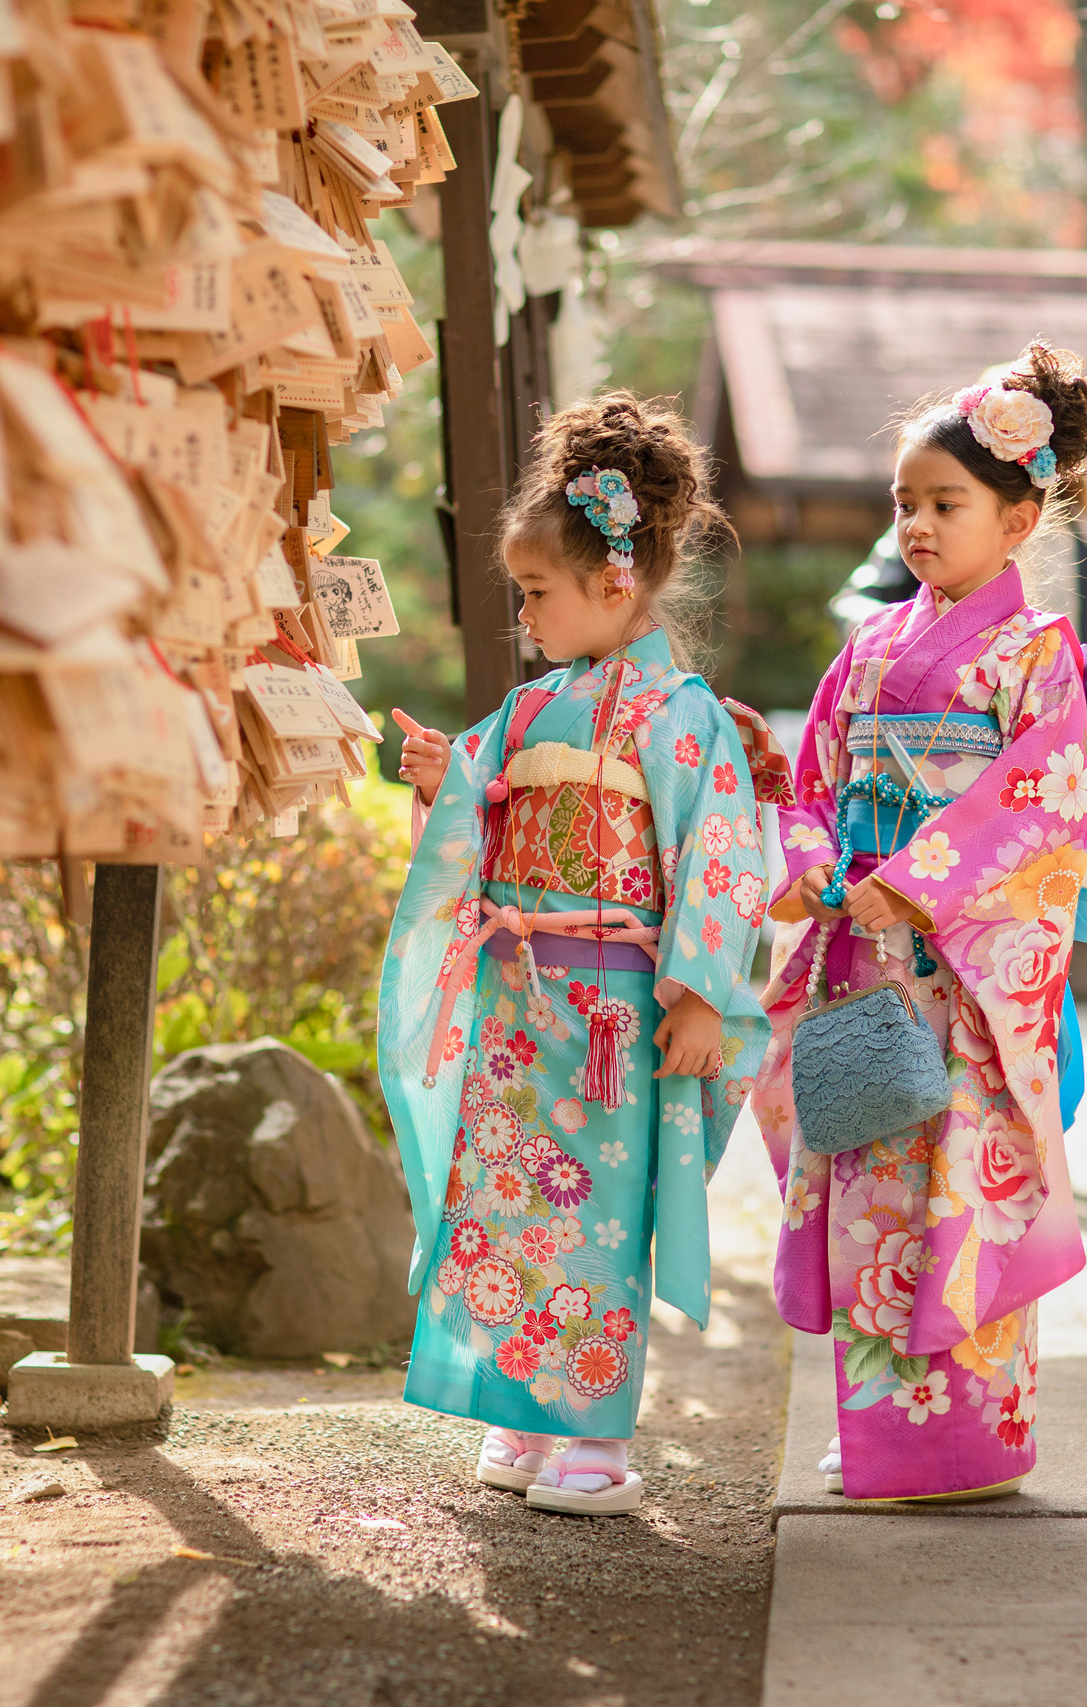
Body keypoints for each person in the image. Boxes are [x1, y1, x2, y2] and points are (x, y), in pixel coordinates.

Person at [382, 395, 776, 1516]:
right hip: (518, 1000)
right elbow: (473, 821)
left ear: (613, 583)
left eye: (537, 590)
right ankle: (522, 1409)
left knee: (599, 1215)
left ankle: (593, 1433)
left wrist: (699, 995)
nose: (524, 613)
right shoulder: (527, 710)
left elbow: (723, 853)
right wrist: (446, 785)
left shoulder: (682, 713)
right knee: (509, 1201)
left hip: (614, 1009)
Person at [754, 341, 1087, 1502]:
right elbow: (813, 787)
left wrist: (918, 881)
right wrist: (819, 868)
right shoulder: (866, 651)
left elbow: (1051, 797)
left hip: (964, 974)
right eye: (902, 503)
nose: (915, 524)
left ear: (1018, 521)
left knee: (961, 1188)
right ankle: (878, 1424)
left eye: (944, 504)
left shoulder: (1038, 656)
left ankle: (964, 1442)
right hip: (862, 958)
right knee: (866, 1173)